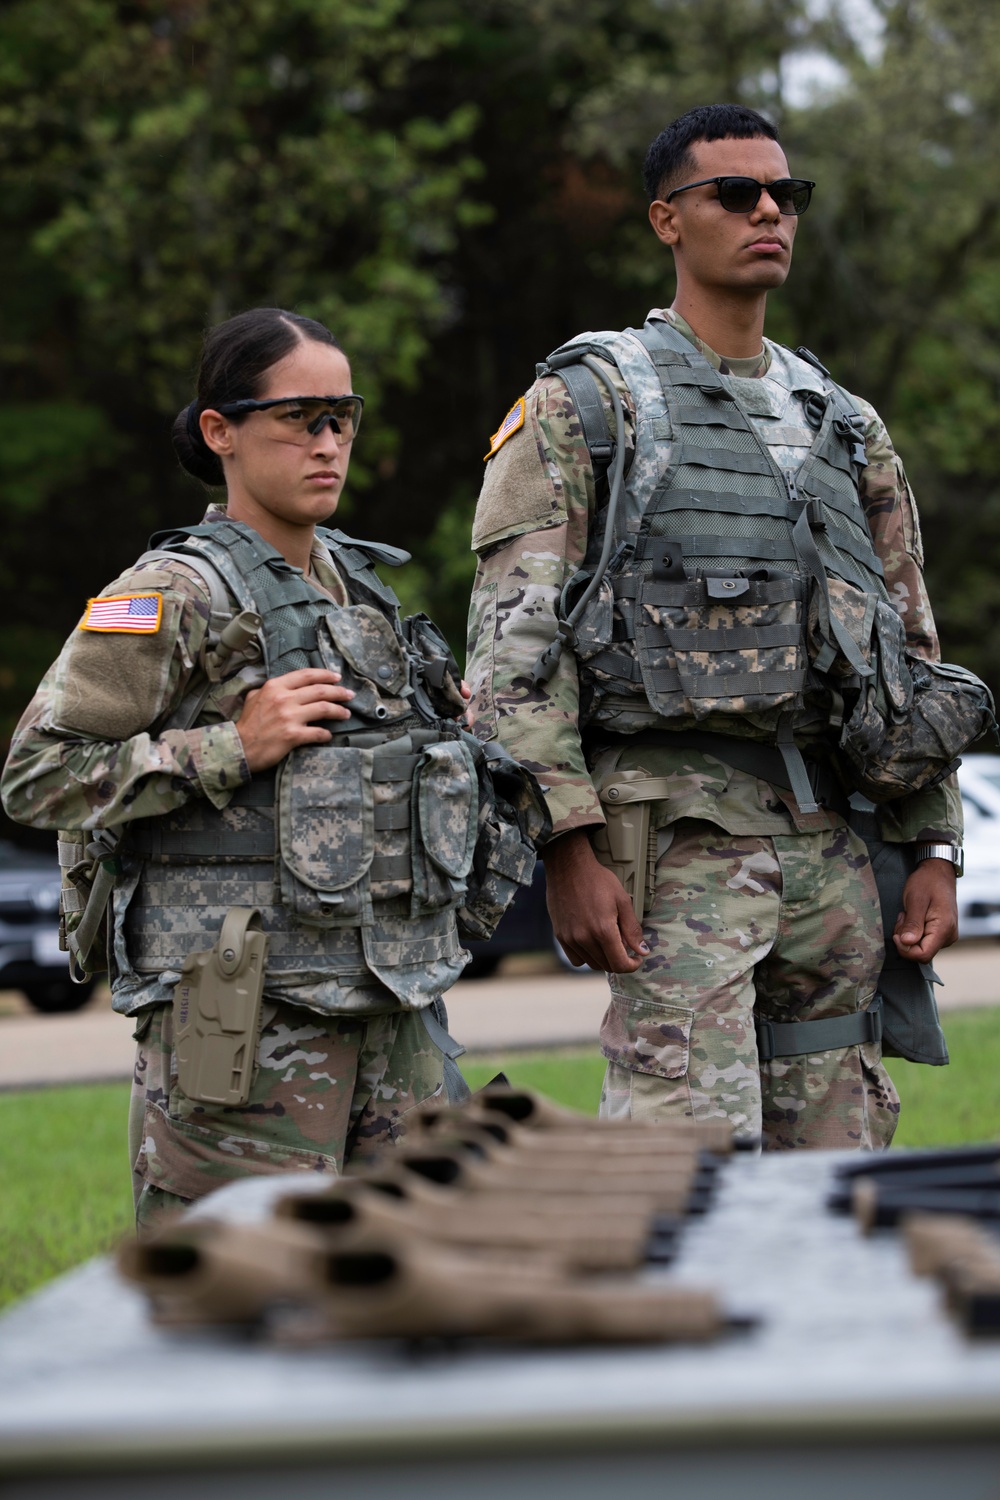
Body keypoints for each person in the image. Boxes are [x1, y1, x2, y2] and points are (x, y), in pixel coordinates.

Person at [466, 104, 966, 1150]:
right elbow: (514, 649)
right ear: (665, 220)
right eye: (735, 193)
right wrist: (566, 844)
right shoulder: (588, 403)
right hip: (672, 841)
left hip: (828, 850)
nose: (768, 211)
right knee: (682, 1160)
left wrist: (931, 844)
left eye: (786, 194)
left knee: (837, 1172)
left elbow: (906, 650)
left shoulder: (843, 419)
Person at [1, 307, 493, 1229]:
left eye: (342, 417)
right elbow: (35, 774)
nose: (329, 443)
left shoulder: (360, 583)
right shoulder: (165, 594)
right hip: (244, 1020)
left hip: (393, 1000)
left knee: (420, 1290)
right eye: (300, 418)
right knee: (239, 1301)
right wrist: (231, 747)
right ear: (220, 432)